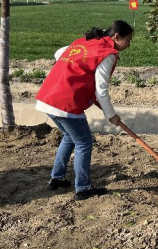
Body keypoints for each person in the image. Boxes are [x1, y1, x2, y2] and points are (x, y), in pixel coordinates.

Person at [36, 20, 133, 201]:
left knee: (70, 137)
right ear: (116, 37)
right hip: (65, 103)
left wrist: (73, 70)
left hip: (47, 97)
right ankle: (83, 187)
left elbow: (59, 53)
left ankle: (57, 177)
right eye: (128, 40)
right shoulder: (108, 54)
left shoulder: (85, 42)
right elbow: (101, 90)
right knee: (84, 142)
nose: (129, 45)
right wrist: (111, 115)